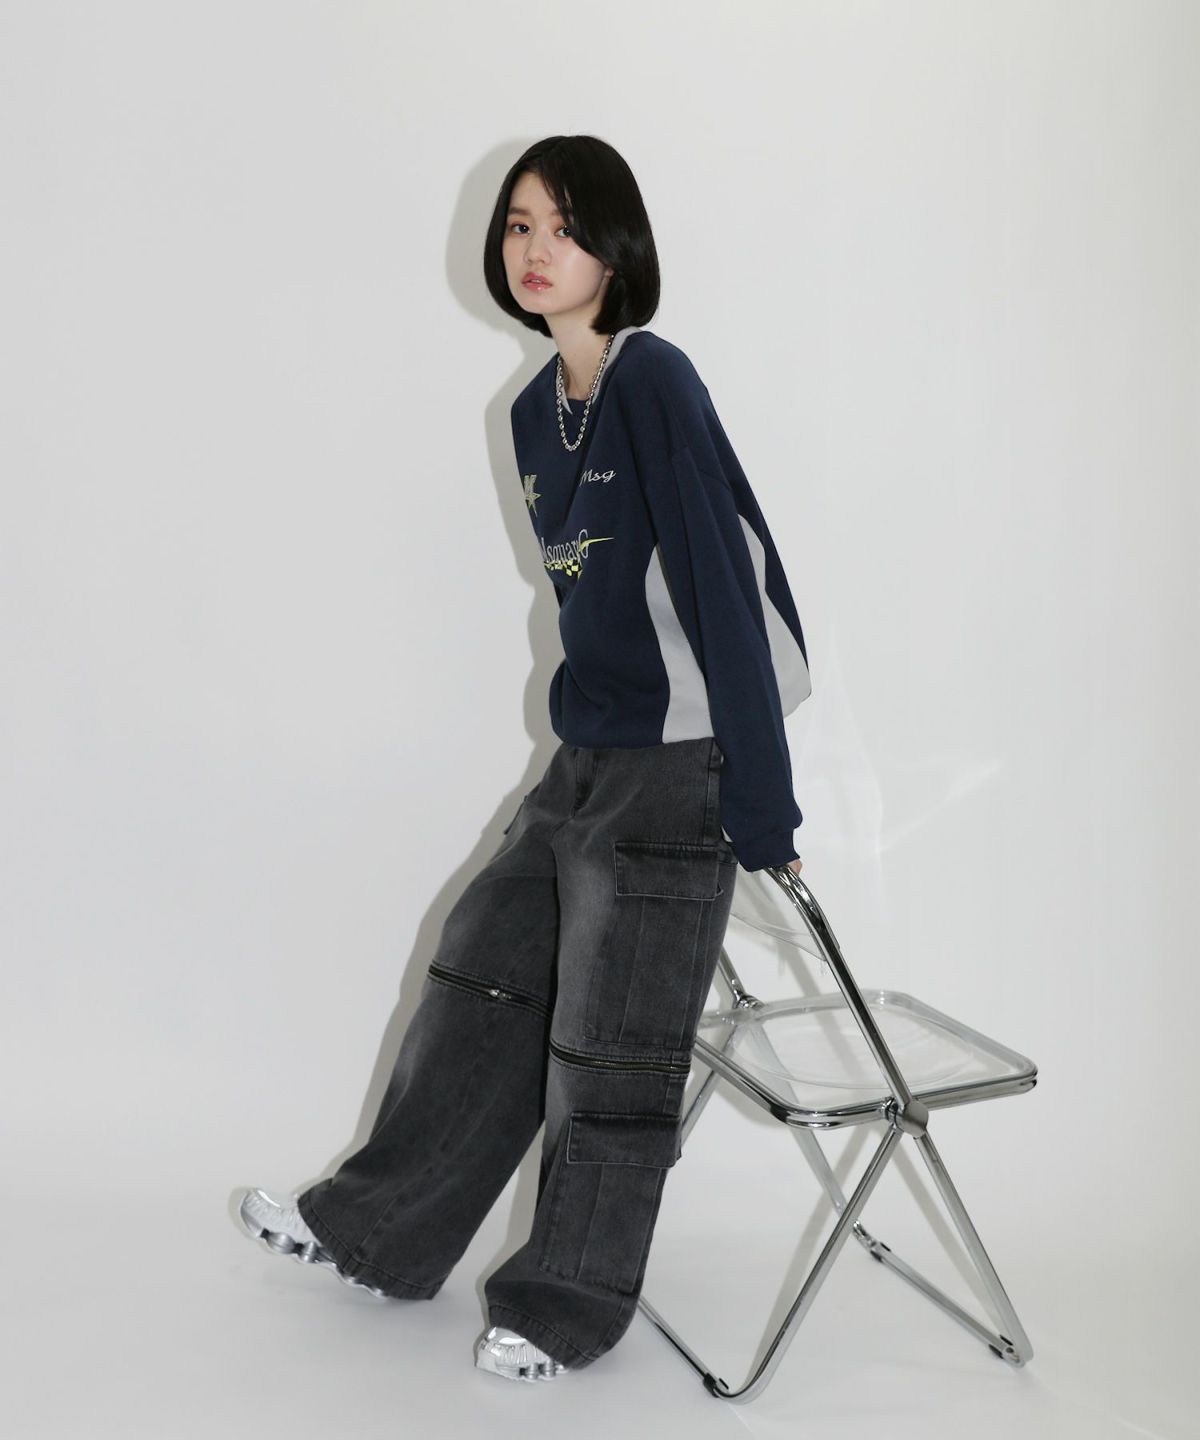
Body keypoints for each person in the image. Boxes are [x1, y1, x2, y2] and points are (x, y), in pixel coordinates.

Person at [235, 134, 813, 1385]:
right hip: (588, 750)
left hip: (689, 756)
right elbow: (587, 604)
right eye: (517, 226)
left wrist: (763, 800)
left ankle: (562, 1308)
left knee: (613, 1045)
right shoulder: (529, 415)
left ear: (617, 245)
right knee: (481, 977)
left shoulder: (654, 379)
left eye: (563, 225)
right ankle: (378, 1229)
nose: (536, 248)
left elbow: (719, 586)